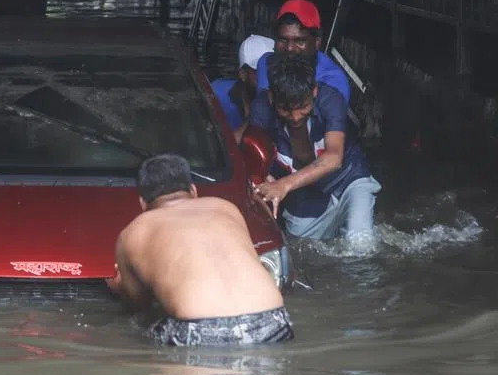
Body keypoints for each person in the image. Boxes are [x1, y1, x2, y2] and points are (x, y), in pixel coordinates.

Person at [108, 154, 294, 347]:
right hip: (274, 321)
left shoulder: (132, 232)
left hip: (200, 330)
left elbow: (138, 307)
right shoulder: (226, 208)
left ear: (142, 203)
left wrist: (122, 287)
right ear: (194, 191)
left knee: (139, 339)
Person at [248, 53, 381, 247]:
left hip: (348, 180)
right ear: (271, 97)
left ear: (315, 91)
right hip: (303, 196)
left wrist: (283, 185)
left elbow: (334, 157)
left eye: (302, 106)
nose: (294, 117)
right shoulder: (261, 108)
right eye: (285, 108)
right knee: (302, 252)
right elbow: (253, 161)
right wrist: (264, 183)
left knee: (360, 245)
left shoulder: (331, 100)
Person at [255, 0, 352, 104]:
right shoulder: (265, 63)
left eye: (300, 41)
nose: (290, 48)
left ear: (317, 42)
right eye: (283, 39)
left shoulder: (333, 83)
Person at [210, 34, 274, 131]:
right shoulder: (216, 96)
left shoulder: (283, 105)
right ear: (243, 74)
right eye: (261, 72)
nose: (267, 78)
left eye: (273, 71)